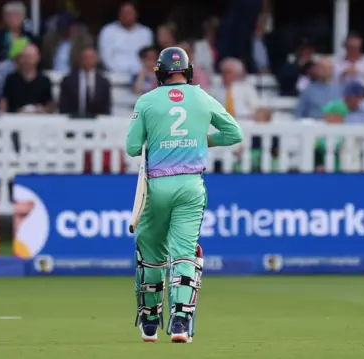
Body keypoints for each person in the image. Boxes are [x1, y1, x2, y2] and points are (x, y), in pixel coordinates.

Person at [125, 47, 242, 343]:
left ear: (160, 73)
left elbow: (132, 147)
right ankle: (180, 323)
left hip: (157, 187)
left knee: (151, 256)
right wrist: (204, 140)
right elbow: (234, 133)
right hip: (191, 185)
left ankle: (150, 324)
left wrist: (159, 141)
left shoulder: (147, 101)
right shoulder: (201, 97)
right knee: (184, 253)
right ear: (187, 71)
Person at [97, 1, 153, 74]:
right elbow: (105, 56)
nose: (125, 16)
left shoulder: (146, 32)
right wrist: (119, 72)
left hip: (140, 75)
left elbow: (149, 57)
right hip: (114, 74)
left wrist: (140, 72)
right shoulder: (108, 31)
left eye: (129, 13)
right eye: (122, 13)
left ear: (136, 14)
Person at [0, 44, 53, 114]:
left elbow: (50, 104)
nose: (28, 60)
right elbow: (4, 101)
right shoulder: (11, 79)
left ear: (37, 58)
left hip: (39, 118)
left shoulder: (45, 80)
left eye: (31, 57)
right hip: (14, 117)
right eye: (25, 57)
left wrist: (44, 110)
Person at [59, 47, 111, 117]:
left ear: (96, 59)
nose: (88, 60)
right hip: (73, 121)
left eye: (91, 57)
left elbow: (106, 108)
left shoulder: (103, 82)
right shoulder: (68, 81)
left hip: (98, 123)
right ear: (80, 59)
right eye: (85, 57)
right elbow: (64, 106)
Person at [0, 1, 36, 69]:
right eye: (9, 15)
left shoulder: (30, 37)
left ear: (23, 17)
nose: (13, 19)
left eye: (16, 15)